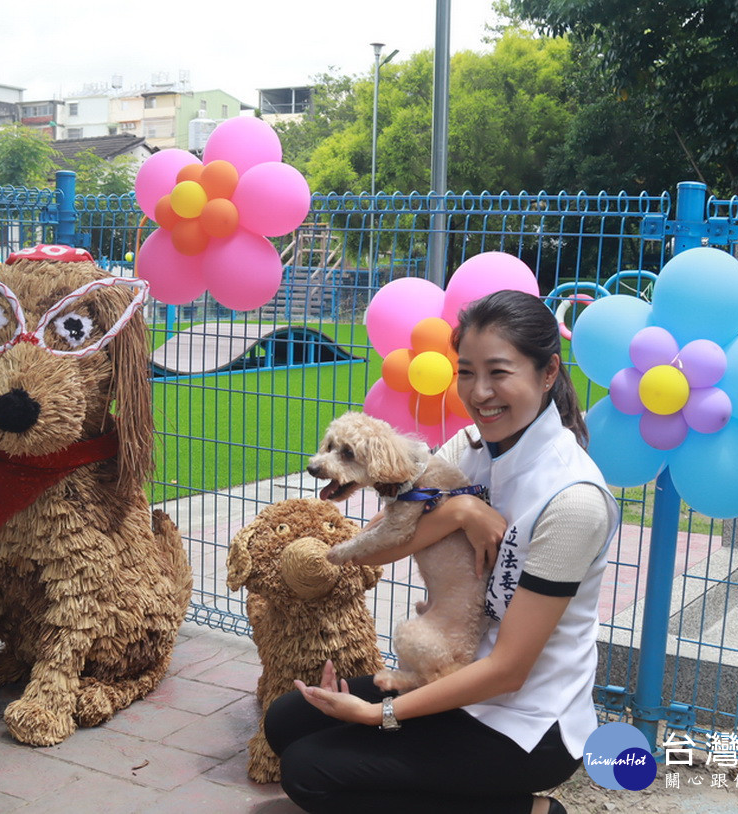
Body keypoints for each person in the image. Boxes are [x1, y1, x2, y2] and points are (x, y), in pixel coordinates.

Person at [264, 289, 620, 814]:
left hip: (523, 719)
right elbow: (383, 541)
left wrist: (379, 716)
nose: (479, 393)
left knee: (309, 772)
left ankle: (533, 810)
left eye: (499, 372)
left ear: (547, 372)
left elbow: (509, 671)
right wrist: (460, 512)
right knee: (287, 721)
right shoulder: (469, 446)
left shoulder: (573, 500)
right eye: (466, 371)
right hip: (451, 672)